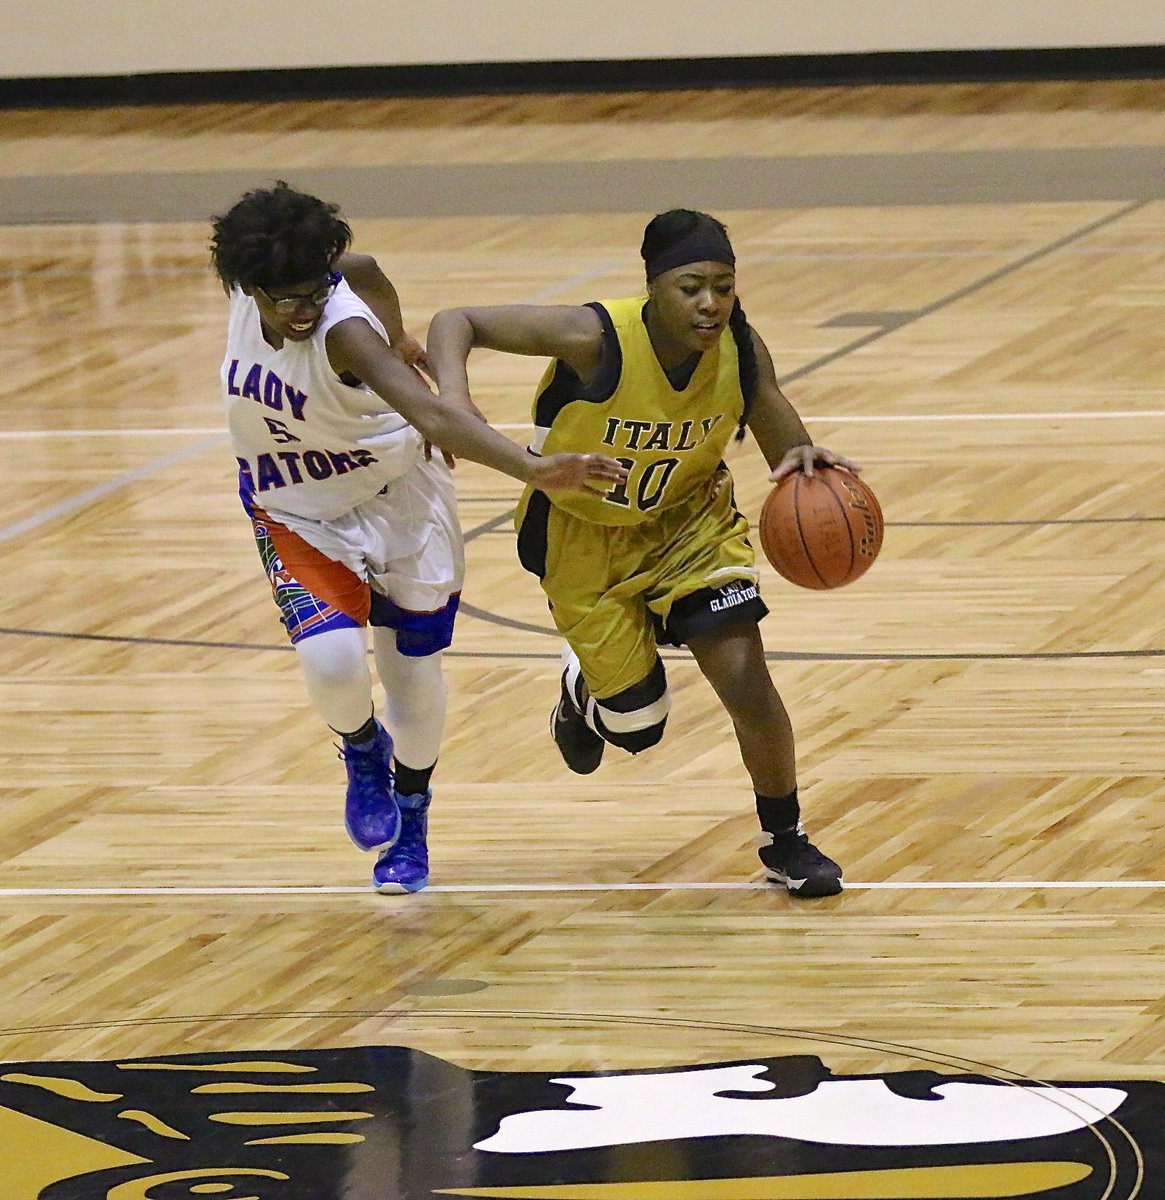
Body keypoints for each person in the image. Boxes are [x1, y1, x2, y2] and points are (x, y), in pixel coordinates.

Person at [426, 209, 858, 897]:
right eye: (692, 287)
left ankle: (786, 840)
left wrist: (806, 464)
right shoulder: (593, 337)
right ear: (654, 286)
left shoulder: (740, 347)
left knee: (746, 678)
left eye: (723, 286)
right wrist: (454, 395)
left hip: (691, 527)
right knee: (636, 727)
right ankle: (582, 690)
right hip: (583, 539)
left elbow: (779, 431)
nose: (710, 302)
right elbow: (458, 320)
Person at [209, 182, 626, 894]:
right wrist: (401, 329)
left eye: (316, 291)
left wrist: (532, 468)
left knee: (411, 675)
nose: (305, 310)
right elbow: (366, 266)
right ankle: (360, 748)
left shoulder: (343, 332)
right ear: (250, 288)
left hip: (401, 495)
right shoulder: (257, 291)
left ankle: (412, 814)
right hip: (297, 508)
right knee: (332, 663)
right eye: (288, 300)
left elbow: (432, 416)